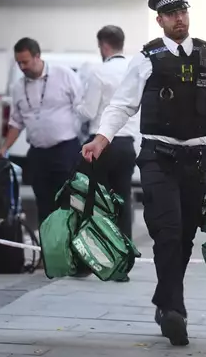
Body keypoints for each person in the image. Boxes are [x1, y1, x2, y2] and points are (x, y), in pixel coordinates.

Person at [81, 0, 206, 346]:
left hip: (195, 162)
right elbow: (121, 106)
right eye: (172, 14)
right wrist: (101, 139)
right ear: (160, 20)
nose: (179, 19)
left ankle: (164, 301)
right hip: (157, 158)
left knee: (183, 240)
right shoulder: (146, 59)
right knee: (166, 233)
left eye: (183, 12)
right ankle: (175, 311)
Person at [0, 37, 85, 226]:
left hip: (65, 150)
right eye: (18, 63)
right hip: (38, 154)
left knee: (68, 204)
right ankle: (47, 253)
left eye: (25, 62)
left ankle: (70, 250)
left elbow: (83, 109)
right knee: (43, 205)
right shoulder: (18, 87)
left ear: (37, 56)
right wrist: (4, 148)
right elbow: (16, 122)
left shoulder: (64, 75)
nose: (22, 67)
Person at [75, 25, 139, 282]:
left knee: (94, 202)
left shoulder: (99, 72)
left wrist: (77, 106)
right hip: (127, 145)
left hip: (99, 145)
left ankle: (90, 261)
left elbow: (88, 112)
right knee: (122, 202)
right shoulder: (135, 71)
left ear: (104, 46)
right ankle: (122, 266)